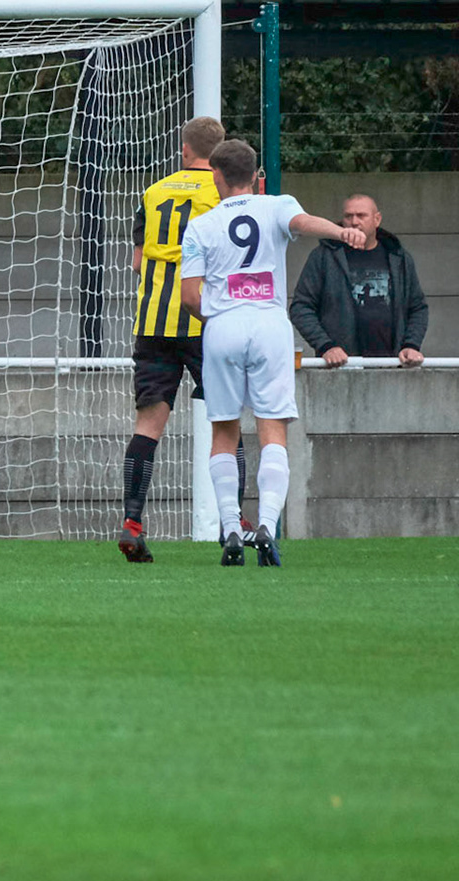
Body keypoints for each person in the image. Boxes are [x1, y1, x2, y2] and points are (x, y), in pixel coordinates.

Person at [179, 140, 366, 567]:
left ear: (217, 178)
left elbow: (191, 298)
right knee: (272, 430)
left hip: (223, 327)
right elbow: (304, 221)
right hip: (269, 326)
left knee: (224, 432)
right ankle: (266, 525)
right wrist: (343, 232)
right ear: (256, 177)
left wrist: (222, 316)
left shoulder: (201, 227)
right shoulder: (276, 205)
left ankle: (229, 529)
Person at [116, 115, 225, 563]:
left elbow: (140, 263)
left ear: (184, 149)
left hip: (153, 323)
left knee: (148, 425)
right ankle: (232, 526)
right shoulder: (226, 194)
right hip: (205, 321)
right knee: (226, 424)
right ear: (219, 154)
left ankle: (132, 521)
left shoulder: (154, 191)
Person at [290, 193, 430, 370]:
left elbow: (418, 308)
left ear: (377, 219)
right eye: (348, 216)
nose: (354, 222)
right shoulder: (323, 257)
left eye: (361, 215)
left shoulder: (399, 258)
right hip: (340, 368)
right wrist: (326, 346)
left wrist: (411, 345)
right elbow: (301, 308)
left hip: (393, 366)